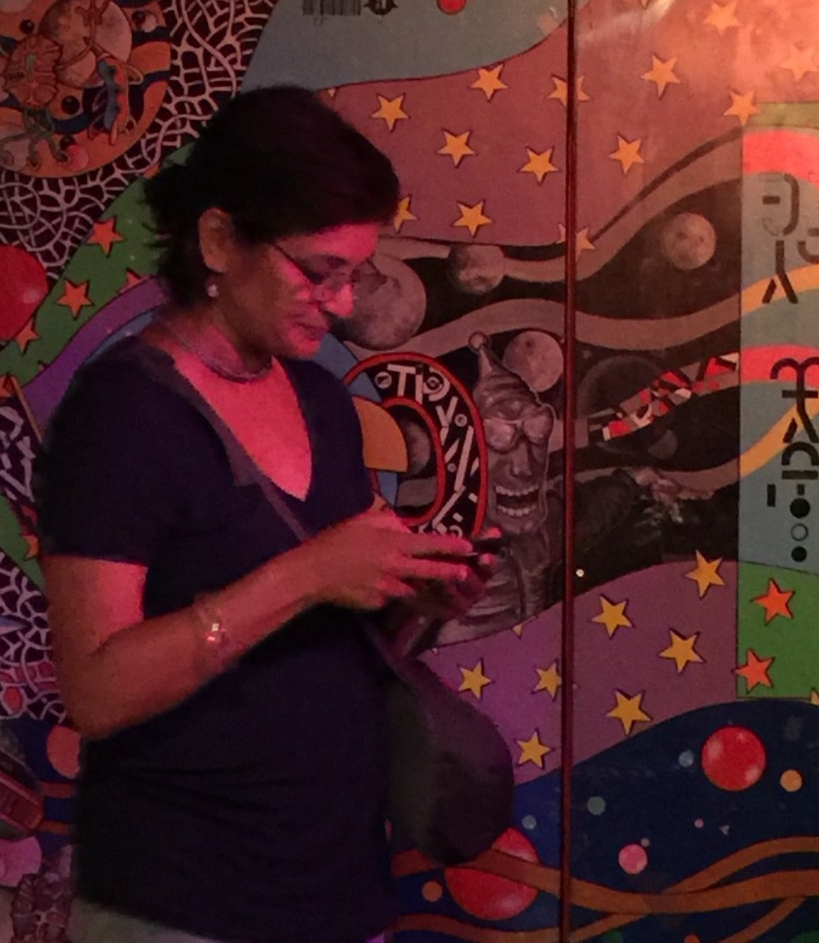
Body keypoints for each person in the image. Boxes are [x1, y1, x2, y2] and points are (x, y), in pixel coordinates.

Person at [34, 86, 485, 943]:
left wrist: (411, 596)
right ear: (218, 240)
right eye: (317, 271)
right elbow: (96, 689)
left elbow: (321, 637)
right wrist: (306, 575)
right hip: (184, 902)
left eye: (356, 275)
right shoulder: (123, 412)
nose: (342, 303)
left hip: (337, 884)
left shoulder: (321, 402)